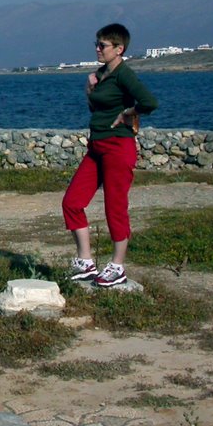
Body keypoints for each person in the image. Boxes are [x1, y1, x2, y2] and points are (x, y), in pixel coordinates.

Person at [62, 23, 158, 287]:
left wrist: (128, 114)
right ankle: (85, 261)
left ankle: (117, 266)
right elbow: (97, 108)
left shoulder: (124, 75)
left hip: (118, 147)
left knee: (114, 207)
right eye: (96, 44)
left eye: (102, 45)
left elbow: (150, 102)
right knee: (72, 201)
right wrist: (89, 90)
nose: (97, 49)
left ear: (119, 48)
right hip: (97, 147)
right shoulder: (101, 75)